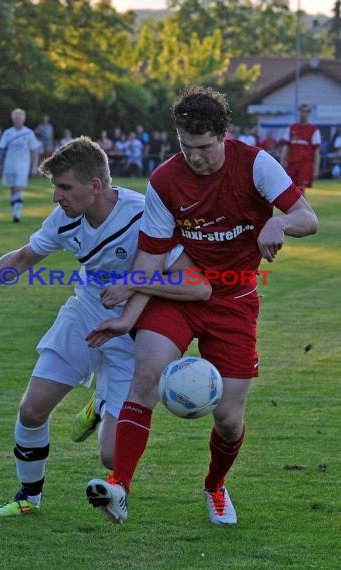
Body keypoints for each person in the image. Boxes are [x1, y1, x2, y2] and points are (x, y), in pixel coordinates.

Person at [0, 136, 210, 518]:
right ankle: (28, 497)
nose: (56, 197)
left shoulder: (143, 215)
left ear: (95, 185)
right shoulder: (66, 219)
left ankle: (99, 402)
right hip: (84, 313)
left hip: (133, 330)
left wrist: (133, 286)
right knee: (32, 410)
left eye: (64, 187)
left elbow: (195, 285)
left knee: (112, 456)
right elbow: (22, 257)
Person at [85, 86, 318, 526]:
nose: (195, 157)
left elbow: (309, 218)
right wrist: (128, 315)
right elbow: (151, 258)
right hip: (180, 294)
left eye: (204, 147)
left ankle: (214, 486)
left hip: (234, 302)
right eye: (185, 147)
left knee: (229, 419)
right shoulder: (165, 181)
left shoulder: (256, 164)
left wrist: (278, 221)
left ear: (223, 136)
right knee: (146, 376)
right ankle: (119, 487)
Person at [0, 108, 40, 222]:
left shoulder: (29, 133)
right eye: (16, 117)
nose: (18, 119)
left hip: (23, 164)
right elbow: (0, 147)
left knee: (18, 188)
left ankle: (17, 214)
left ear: (24, 118)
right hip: (10, 164)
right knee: (12, 189)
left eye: (20, 116)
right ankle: (15, 211)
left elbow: (34, 150)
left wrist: (34, 166)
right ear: (13, 119)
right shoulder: (8, 132)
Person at [280, 104, 321, 194]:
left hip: (305, 164)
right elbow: (286, 147)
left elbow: (316, 151)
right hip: (292, 164)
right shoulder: (291, 128)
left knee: (301, 190)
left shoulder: (314, 130)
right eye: (302, 111)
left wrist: (316, 169)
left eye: (306, 111)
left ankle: (301, 208)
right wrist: (281, 163)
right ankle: (293, 208)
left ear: (309, 113)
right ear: (298, 112)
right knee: (290, 189)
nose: (303, 113)